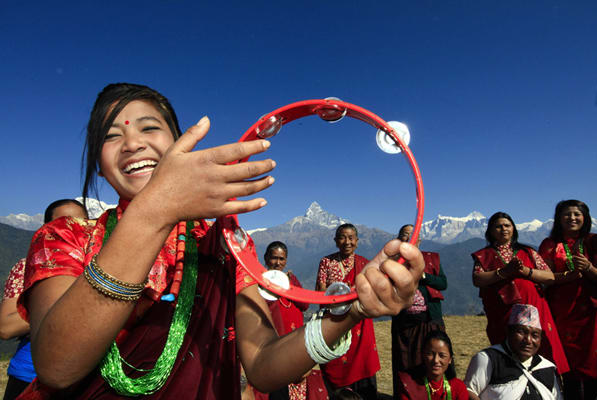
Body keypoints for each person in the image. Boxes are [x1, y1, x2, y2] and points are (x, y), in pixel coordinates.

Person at [16, 83, 425, 399]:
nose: (132, 143)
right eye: (110, 136)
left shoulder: (222, 242)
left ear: (181, 145)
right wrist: (154, 212)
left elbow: (263, 363)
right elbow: (56, 365)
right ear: (99, 169)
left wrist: (351, 309)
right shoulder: (64, 237)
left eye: (150, 127)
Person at [0, 199, 88, 400]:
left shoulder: (101, 268)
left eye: (82, 221)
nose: (73, 228)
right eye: (64, 222)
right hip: (29, 376)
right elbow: (5, 327)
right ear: (46, 228)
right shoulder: (26, 268)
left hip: (84, 375)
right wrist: (74, 304)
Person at [471, 212, 568, 375]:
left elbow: (549, 276)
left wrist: (526, 271)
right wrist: (504, 272)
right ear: (491, 231)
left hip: (535, 306)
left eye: (507, 225)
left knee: (541, 348)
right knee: (509, 350)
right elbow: (478, 278)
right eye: (498, 226)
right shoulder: (484, 255)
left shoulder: (528, 252)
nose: (503, 229)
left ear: (514, 229)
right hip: (503, 311)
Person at [538, 200, 597, 399]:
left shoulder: (595, 241)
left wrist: (589, 269)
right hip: (562, 312)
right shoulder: (550, 245)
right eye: (566, 214)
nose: (572, 218)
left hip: (592, 312)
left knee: (594, 359)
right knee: (568, 362)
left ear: (585, 218)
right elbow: (542, 277)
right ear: (558, 219)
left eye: (577, 214)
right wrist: (565, 276)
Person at [254, 241, 327, 400]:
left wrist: (289, 286)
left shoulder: (291, 279)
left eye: (282, 259)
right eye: (274, 258)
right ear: (266, 259)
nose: (278, 263)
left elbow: (305, 304)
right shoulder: (260, 282)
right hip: (273, 346)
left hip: (295, 343)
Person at [316, 224, 380, 400]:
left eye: (351, 238)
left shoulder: (365, 264)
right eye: (342, 237)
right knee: (336, 370)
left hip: (360, 323)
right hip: (335, 323)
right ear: (336, 241)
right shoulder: (326, 262)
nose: (347, 242)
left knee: (363, 368)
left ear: (357, 241)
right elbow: (321, 292)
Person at [392, 224, 448, 398]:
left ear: (420, 239)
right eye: (404, 236)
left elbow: (442, 284)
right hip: (404, 324)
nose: (409, 239)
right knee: (405, 363)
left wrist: (422, 275)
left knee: (431, 362)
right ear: (398, 240)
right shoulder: (392, 263)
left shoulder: (431, 259)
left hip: (429, 321)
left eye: (413, 235)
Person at [464, 304, 563, 400]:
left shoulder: (547, 368)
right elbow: (468, 391)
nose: (528, 340)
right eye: (521, 332)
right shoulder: (489, 359)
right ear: (509, 331)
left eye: (535, 335)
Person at [396, 330, 468, 400]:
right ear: (423, 355)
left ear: (450, 359)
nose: (436, 360)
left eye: (442, 355)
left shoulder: (458, 387)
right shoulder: (409, 384)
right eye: (430, 354)